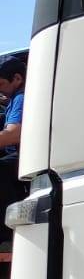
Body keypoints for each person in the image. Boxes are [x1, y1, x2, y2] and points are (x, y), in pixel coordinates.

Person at [1, 53, 27, 237]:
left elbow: (13, 134)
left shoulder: (21, 98)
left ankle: (7, 233)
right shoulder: (12, 99)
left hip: (23, 156)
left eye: (1, 84)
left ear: (17, 78)